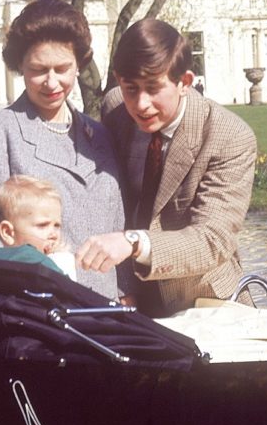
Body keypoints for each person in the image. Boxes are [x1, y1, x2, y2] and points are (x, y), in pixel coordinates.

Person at [76, 18, 257, 318]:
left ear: (184, 82)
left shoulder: (229, 136)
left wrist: (133, 243)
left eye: (153, 88)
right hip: (133, 305)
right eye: (131, 88)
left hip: (208, 304)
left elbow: (212, 240)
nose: (141, 104)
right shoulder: (116, 110)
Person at [0, 0, 127, 300]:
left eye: (62, 68)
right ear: (20, 66)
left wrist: (125, 296)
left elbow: (118, 228)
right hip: (38, 316)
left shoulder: (102, 136)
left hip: (107, 313)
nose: (52, 82)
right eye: (39, 70)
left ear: (78, 64)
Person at [0, 175, 76, 280]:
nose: (54, 235)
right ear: (8, 232)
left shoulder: (61, 263)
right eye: (43, 225)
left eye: (57, 225)